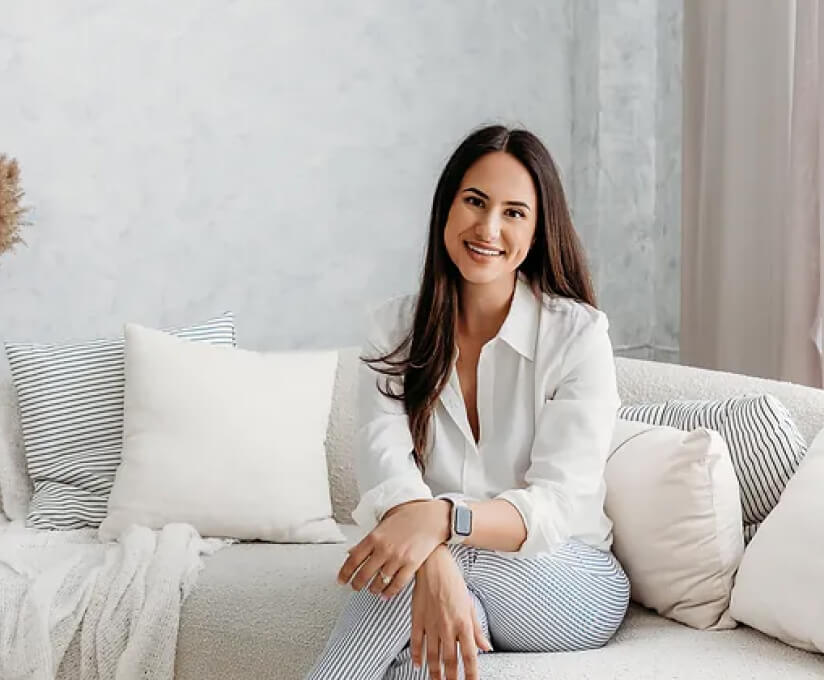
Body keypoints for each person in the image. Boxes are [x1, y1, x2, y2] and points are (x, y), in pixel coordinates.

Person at [305, 125, 630, 680]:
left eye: (513, 212)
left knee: (411, 560)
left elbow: (557, 506)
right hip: (448, 574)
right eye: (475, 202)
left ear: (537, 229)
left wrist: (442, 526)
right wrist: (431, 547)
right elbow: (387, 474)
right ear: (446, 209)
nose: (488, 227)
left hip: (570, 578)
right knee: (419, 659)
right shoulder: (394, 331)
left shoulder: (578, 336)